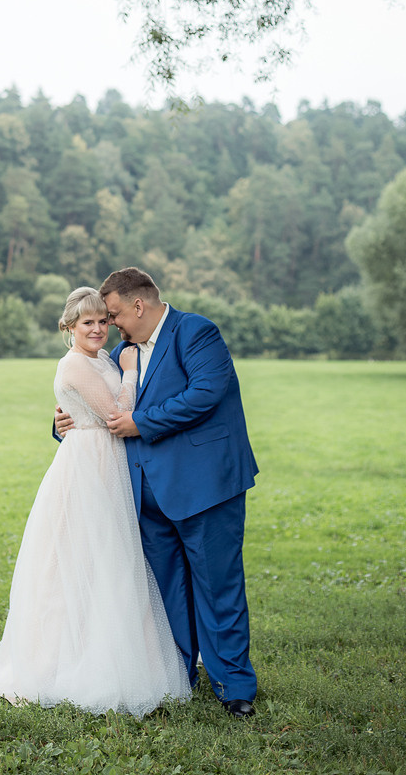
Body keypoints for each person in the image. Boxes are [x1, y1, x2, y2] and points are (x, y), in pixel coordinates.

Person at [0, 286, 191, 717]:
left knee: (111, 559)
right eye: (87, 322)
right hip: (90, 468)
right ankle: (72, 662)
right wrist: (129, 371)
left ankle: (119, 648)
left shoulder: (100, 358)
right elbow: (113, 416)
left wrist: (114, 369)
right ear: (69, 327)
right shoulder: (76, 364)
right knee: (86, 559)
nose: (98, 329)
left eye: (103, 321)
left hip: (109, 464)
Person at [55, 268, 259, 718]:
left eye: (113, 315)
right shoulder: (122, 352)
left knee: (217, 585)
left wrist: (142, 423)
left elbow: (207, 391)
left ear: (138, 305)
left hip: (204, 485)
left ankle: (233, 683)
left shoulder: (196, 332)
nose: (111, 326)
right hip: (142, 492)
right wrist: (60, 422)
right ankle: (176, 674)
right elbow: (90, 400)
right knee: (167, 591)